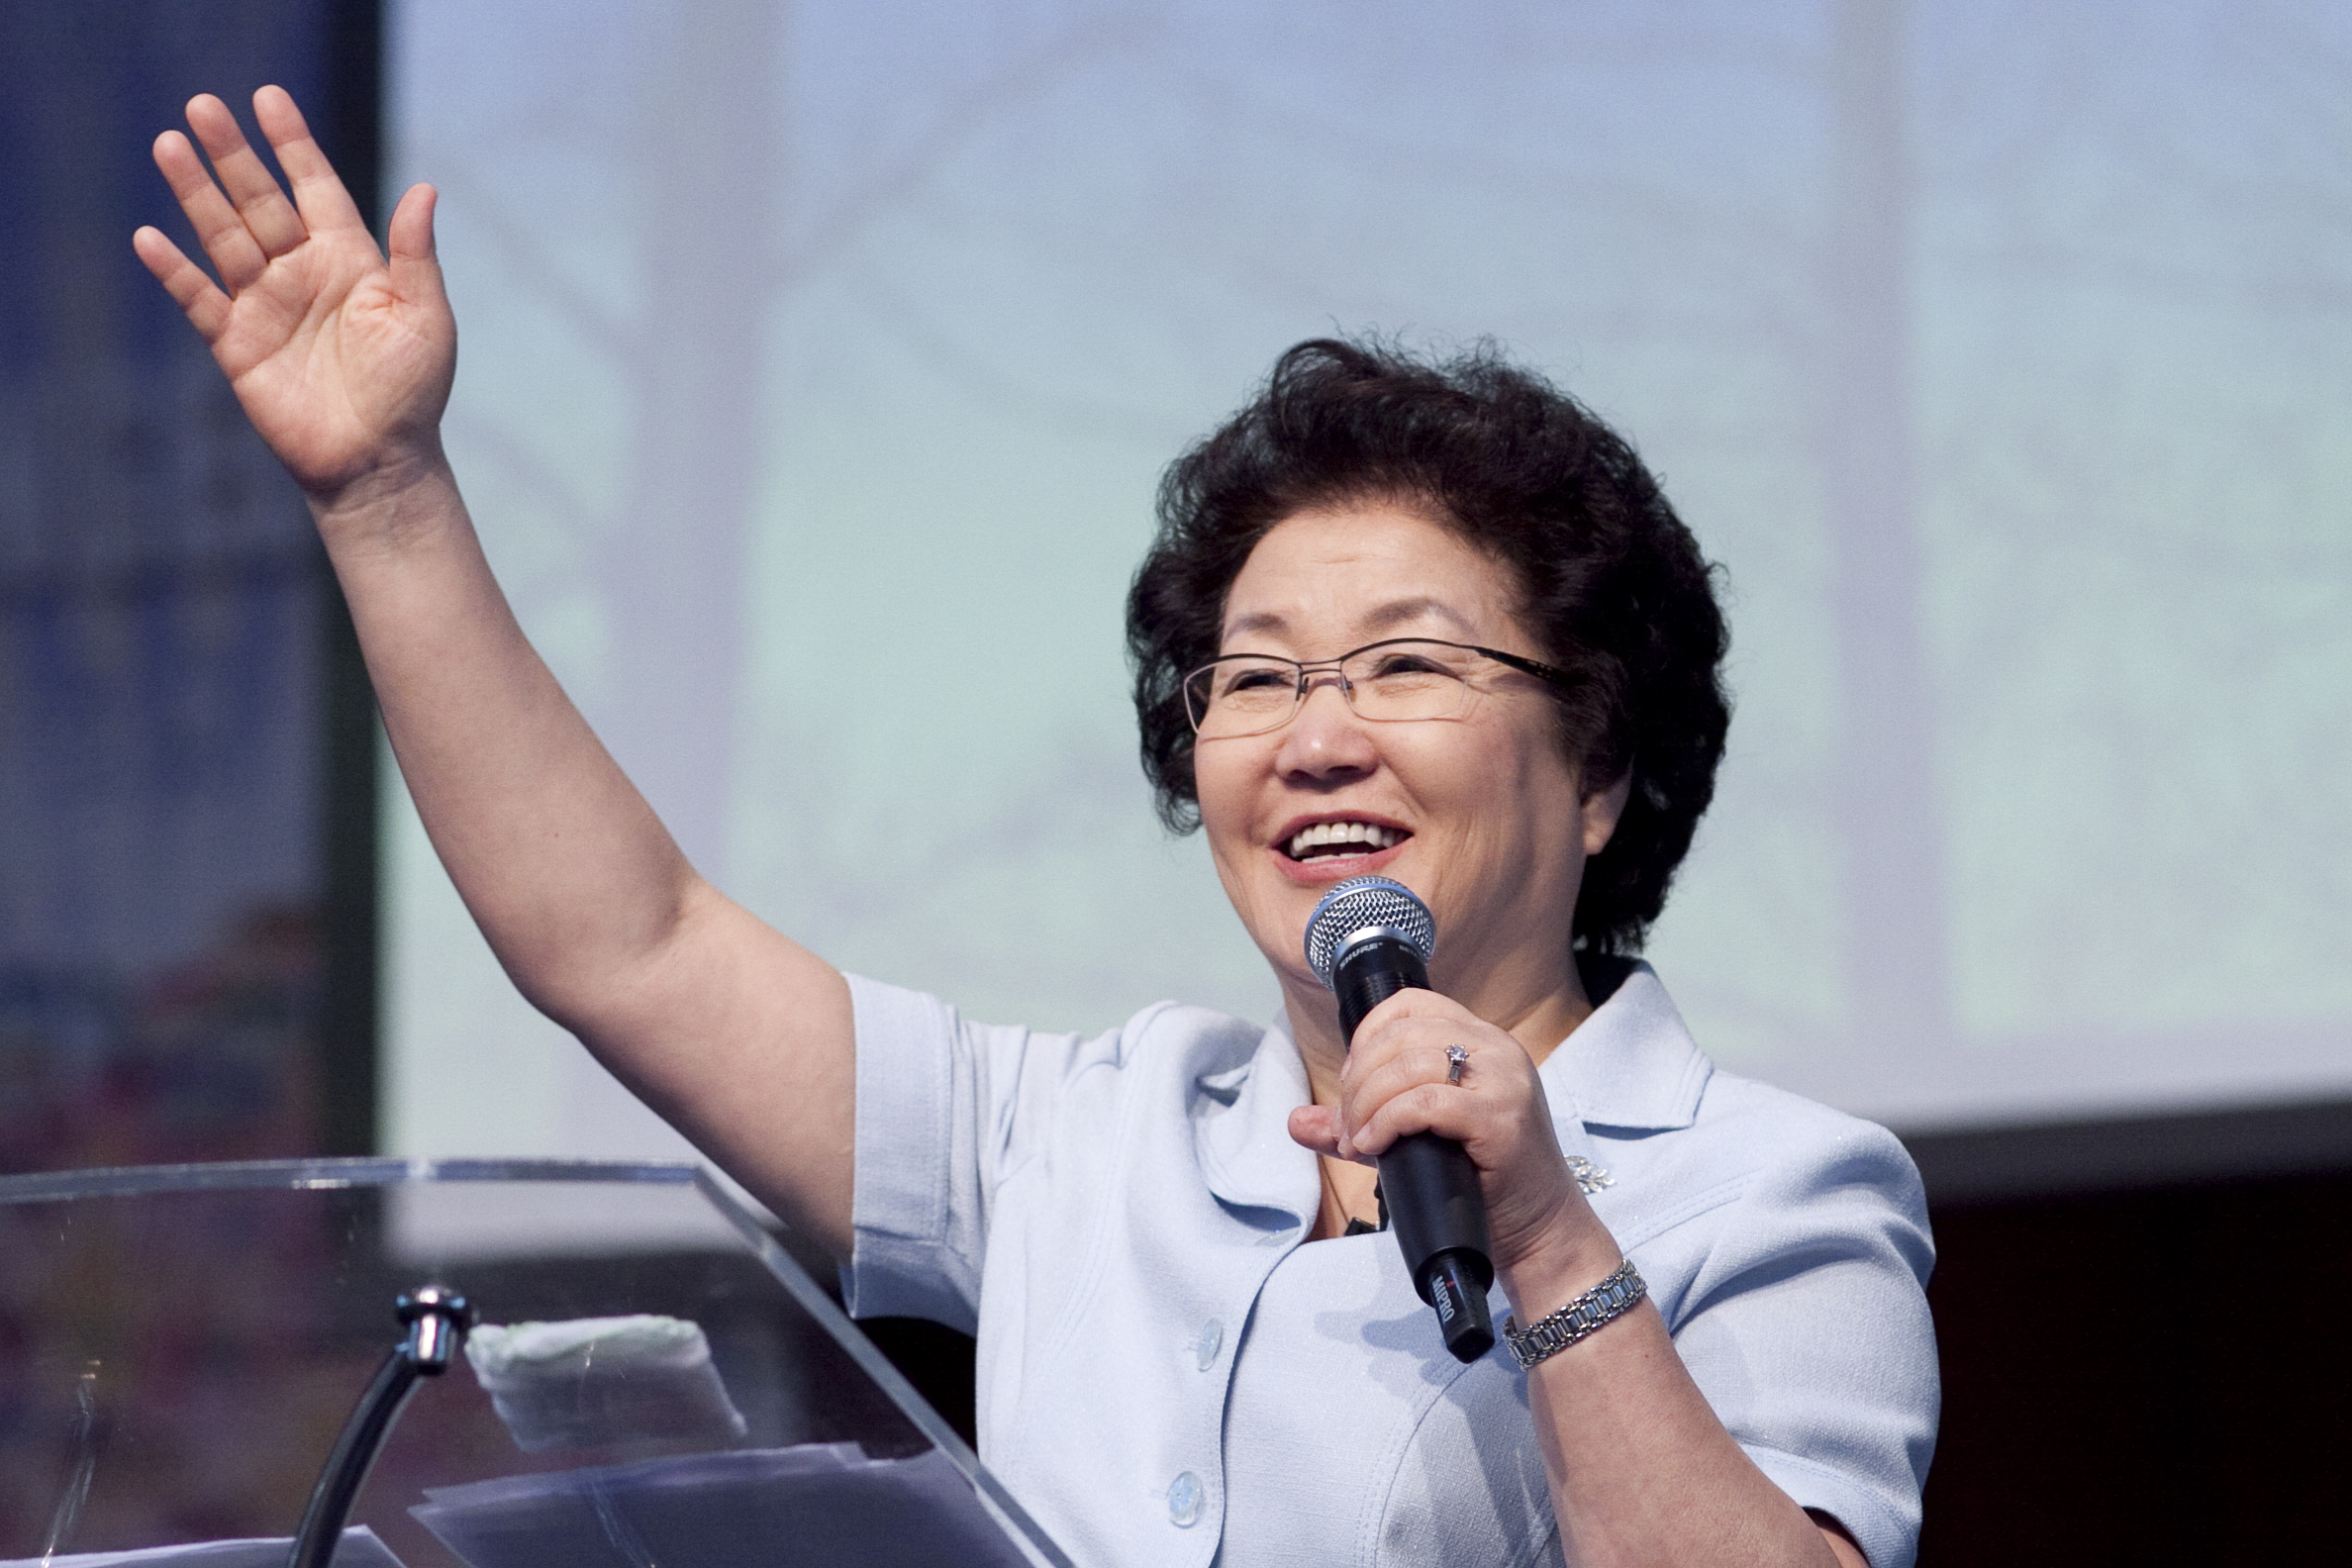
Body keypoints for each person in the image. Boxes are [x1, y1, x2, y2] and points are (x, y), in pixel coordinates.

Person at [138, 88, 1936, 1568]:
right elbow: (632, 945)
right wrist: (385, 497)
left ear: (1602, 765)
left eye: (1403, 666)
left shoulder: (1773, 1189)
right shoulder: (1089, 1141)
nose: (1316, 740)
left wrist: (1546, 1241)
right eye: (1254, 678)